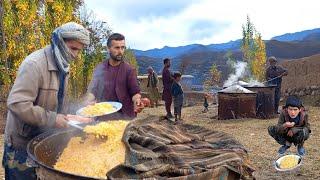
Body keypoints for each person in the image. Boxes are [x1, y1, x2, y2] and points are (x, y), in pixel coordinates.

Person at [2, 22, 92, 179]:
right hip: (21, 146)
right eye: (73, 48)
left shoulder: (63, 66)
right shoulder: (34, 64)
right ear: (59, 42)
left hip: (42, 140)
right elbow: (17, 103)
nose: (76, 55)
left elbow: (55, 104)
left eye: (79, 50)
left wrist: (77, 112)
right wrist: (53, 119)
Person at [87, 33, 143, 119]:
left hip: (125, 117)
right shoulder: (100, 68)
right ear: (108, 49)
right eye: (117, 48)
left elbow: (135, 93)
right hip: (103, 117)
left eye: (122, 47)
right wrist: (87, 101)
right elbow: (93, 90)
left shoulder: (129, 70)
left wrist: (137, 101)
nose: (120, 51)